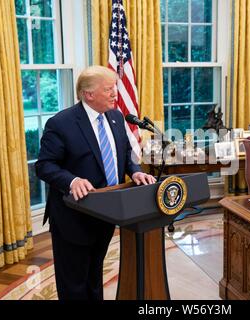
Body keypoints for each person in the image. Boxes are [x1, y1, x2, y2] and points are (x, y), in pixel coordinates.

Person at [35, 65, 156, 300]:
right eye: (109, 89)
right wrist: (72, 180)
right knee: (74, 285)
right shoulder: (61, 123)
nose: (115, 94)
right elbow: (44, 165)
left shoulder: (115, 116)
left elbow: (125, 154)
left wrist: (136, 172)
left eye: (116, 89)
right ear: (88, 94)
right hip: (73, 217)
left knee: (94, 278)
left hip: (106, 214)